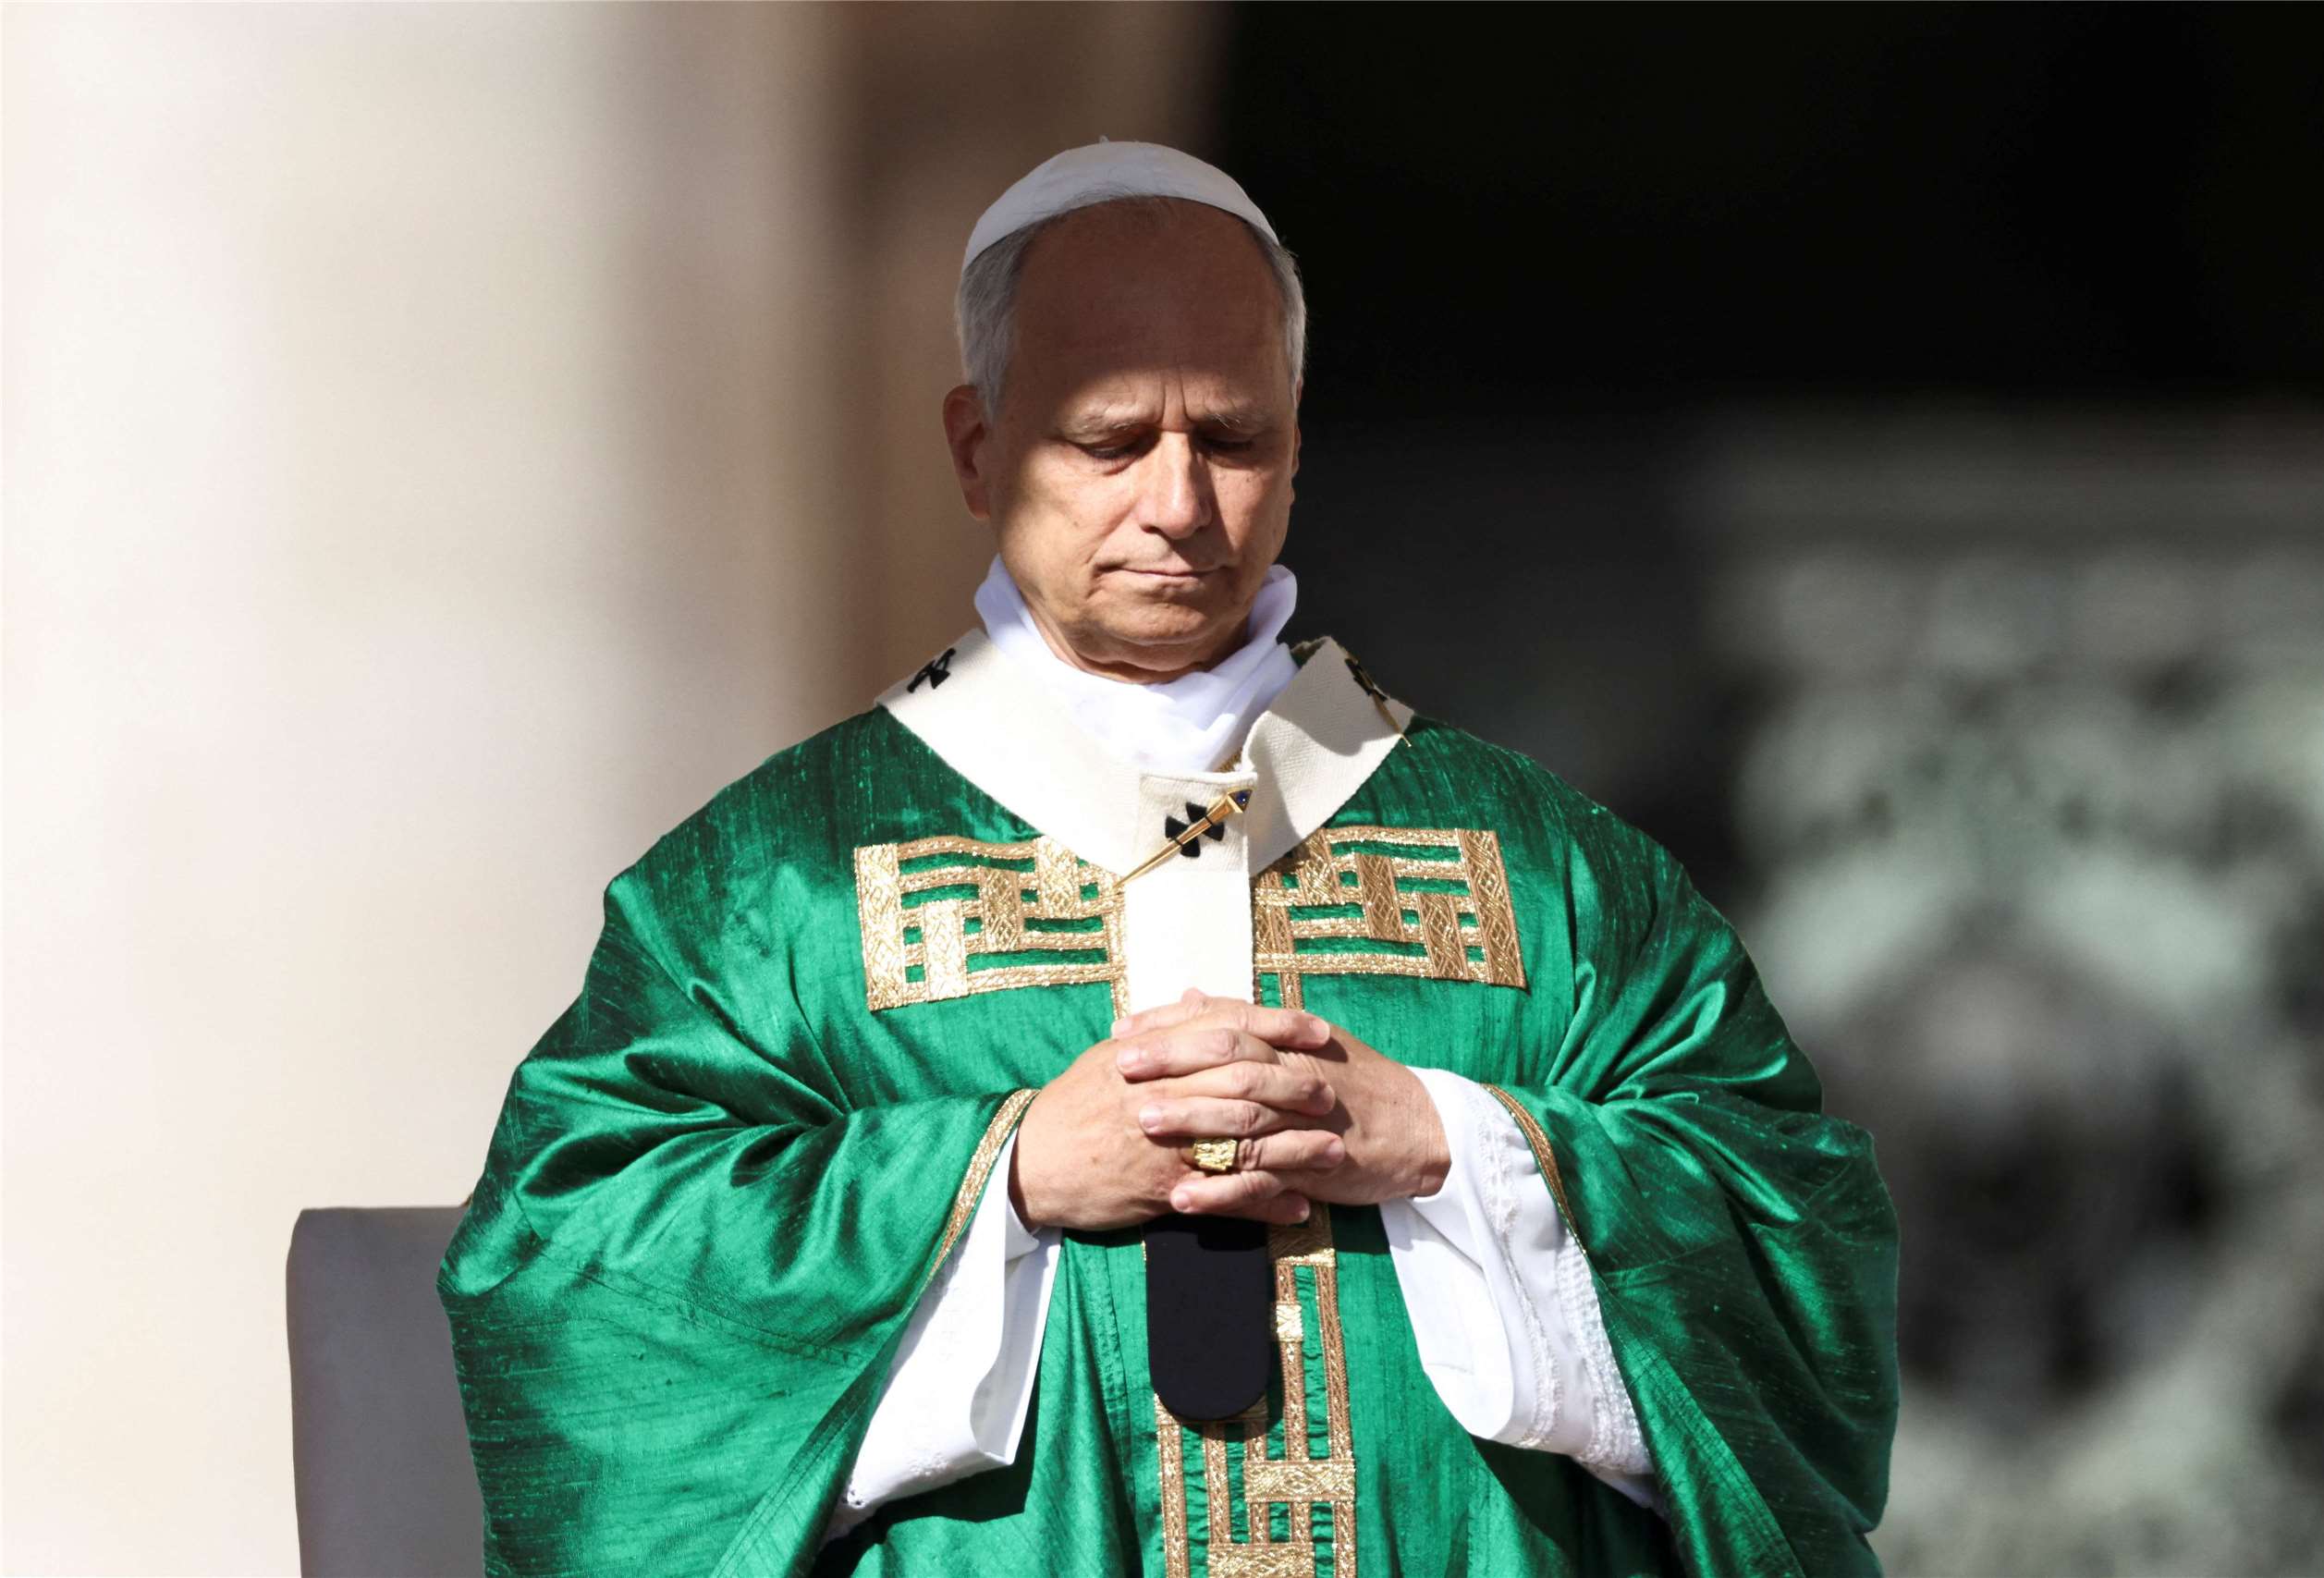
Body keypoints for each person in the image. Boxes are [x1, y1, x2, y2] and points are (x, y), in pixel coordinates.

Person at [440, 141, 1899, 1578]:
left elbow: (1802, 1250)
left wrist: (1456, 1146)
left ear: (1298, 442)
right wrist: (999, 1178)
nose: (1182, 504)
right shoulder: (773, 893)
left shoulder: (1551, 878)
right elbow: (568, 1278)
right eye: (1110, 439)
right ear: (975, 447)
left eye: (1234, 436)